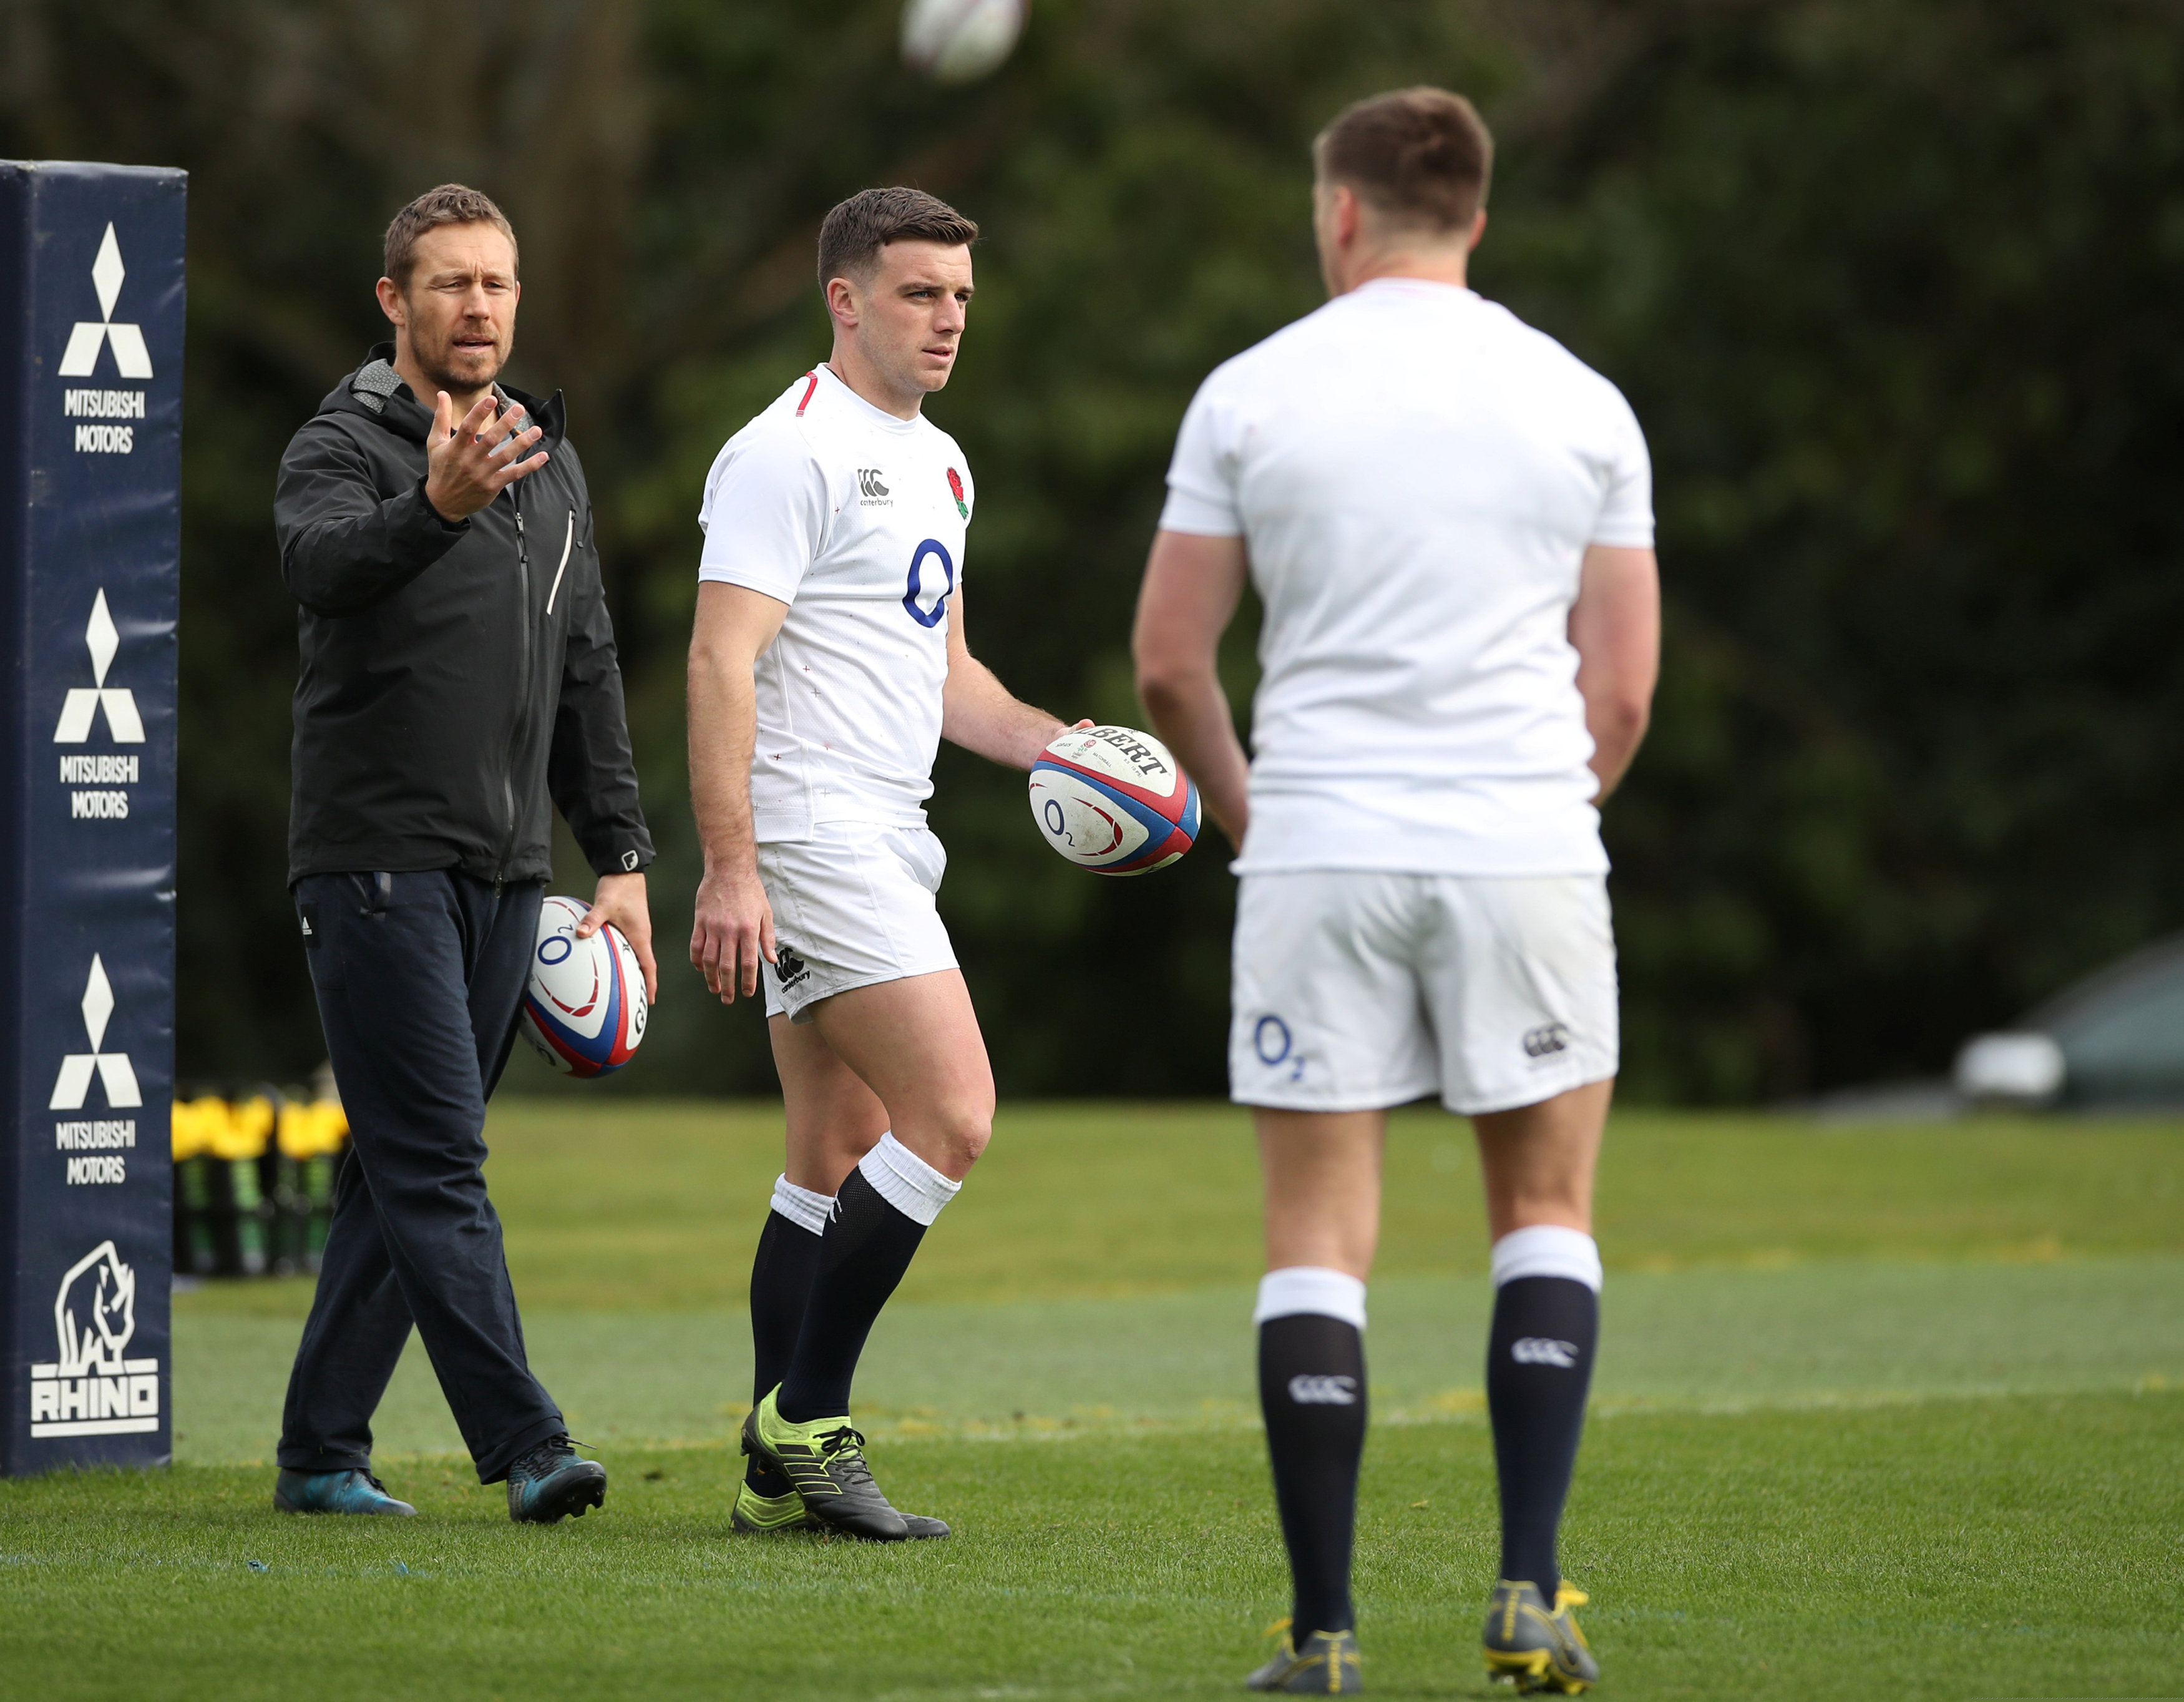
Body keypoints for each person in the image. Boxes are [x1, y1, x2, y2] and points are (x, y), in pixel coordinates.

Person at [1133, 89, 1660, 1695]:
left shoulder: (1253, 390)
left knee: (1315, 1234)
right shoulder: (1581, 400)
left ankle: (1323, 1633)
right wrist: (1534, 820)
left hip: (1320, 851)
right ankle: (1525, 1592)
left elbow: (1169, 661)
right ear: (1477, 217)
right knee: (1545, 1216)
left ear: (1343, 214)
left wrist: (1253, 817)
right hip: (1527, 847)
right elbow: (1622, 695)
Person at [686, 187, 1080, 1542]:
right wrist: (731, 866)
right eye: (919, 293)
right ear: (844, 299)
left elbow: (948, 673)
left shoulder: (944, 461)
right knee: (954, 1113)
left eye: (961, 295)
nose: (949, 318)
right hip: (809, 831)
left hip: (888, 828)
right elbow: (718, 658)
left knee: (831, 1148)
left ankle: (761, 1460)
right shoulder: (784, 454)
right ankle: (811, 1413)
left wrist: (1056, 747)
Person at [272, 183, 658, 1524]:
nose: (477, 306)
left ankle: (321, 1450)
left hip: (509, 867)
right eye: (448, 283)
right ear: (395, 300)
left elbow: (587, 663)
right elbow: (318, 567)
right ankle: (528, 1445)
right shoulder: (343, 444)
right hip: (374, 859)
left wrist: (618, 852)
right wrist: (430, 508)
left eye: (495, 283)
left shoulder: (548, 460)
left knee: (396, 1168)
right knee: (438, 1162)